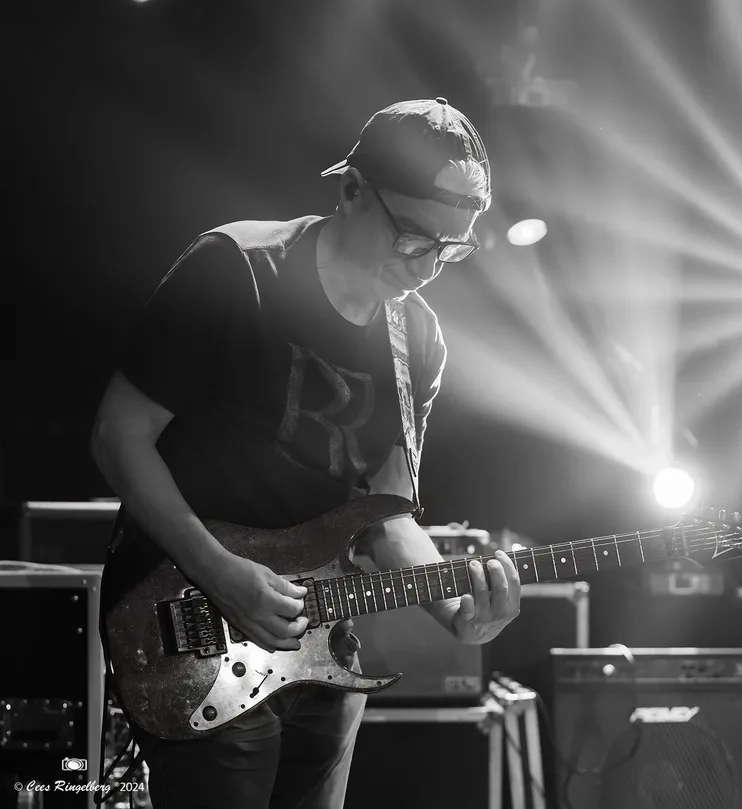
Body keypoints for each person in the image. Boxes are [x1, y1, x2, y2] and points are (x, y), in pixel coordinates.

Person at [90, 97, 521, 809]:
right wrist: (221, 572)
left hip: (323, 647)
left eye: (451, 250)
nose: (426, 268)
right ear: (352, 190)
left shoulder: (417, 338)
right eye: (414, 238)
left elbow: (387, 516)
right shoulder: (238, 269)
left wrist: (456, 612)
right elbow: (118, 436)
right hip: (191, 621)